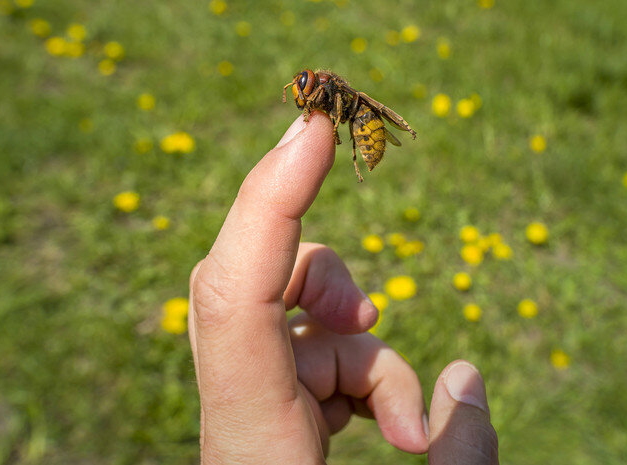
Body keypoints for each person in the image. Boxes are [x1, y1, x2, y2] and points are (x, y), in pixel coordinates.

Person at [187, 112, 499, 464]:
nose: (301, 98)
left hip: (366, 122)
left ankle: (387, 138)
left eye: (305, 89)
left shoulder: (340, 101)